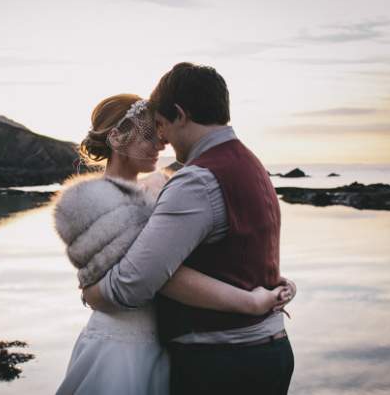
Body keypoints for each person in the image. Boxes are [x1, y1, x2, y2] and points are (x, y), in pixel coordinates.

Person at [53, 93, 294, 394]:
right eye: (150, 135)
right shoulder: (91, 202)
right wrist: (251, 301)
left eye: (160, 131)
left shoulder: (165, 188)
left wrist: (266, 279)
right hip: (122, 345)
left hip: (171, 345)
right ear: (117, 138)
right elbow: (156, 276)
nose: (162, 143)